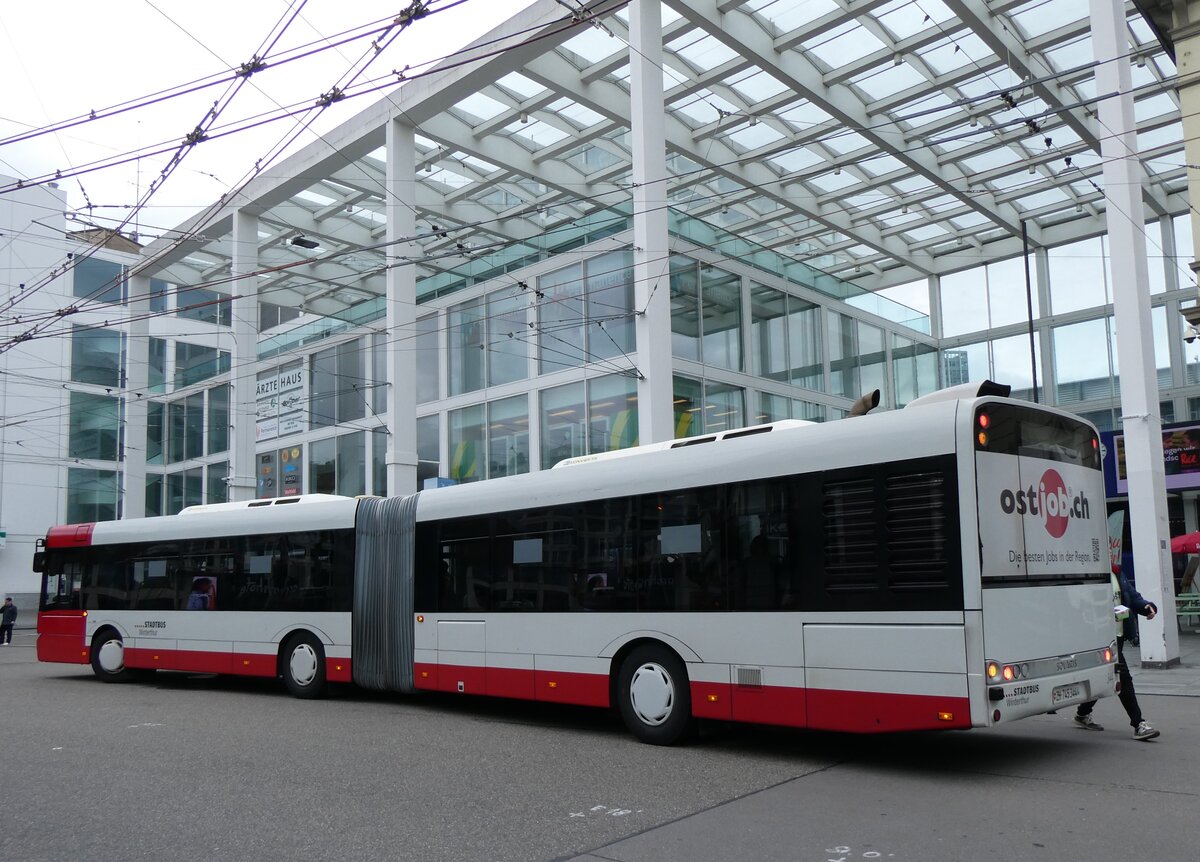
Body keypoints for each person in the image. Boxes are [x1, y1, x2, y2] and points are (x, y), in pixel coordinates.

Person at [1073, 566, 1160, 741]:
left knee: (1106, 676)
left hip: (1117, 636)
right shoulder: (1089, 573)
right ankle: (1138, 724)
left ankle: (1082, 713)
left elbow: (1131, 596)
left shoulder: (1117, 572)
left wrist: (1146, 606)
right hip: (1099, 636)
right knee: (1123, 677)